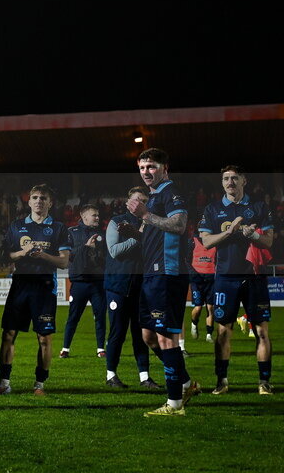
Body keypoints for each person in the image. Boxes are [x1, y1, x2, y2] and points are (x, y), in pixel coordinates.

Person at [128, 148, 200, 416]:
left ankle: (175, 404)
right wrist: (136, 230)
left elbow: (179, 225)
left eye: (152, 166)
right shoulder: (155, 196)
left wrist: (145, 215)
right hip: (152, 274)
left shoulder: (172, 193)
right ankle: (186, 382)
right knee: (149, 336)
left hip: (168, 274)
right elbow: (156, 232)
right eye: (143, 167)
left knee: (166, 337)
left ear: (164, 168)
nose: (147, 172)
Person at [0, 183, 70, 397]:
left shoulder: (59, 228)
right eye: (35, 197)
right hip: (20, 285)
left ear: (50, 203)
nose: (39, 201)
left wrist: (43, 256)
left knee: (44, 338)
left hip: (44, 288)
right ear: (29, 201)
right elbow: (7, 257)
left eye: (43, 198)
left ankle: (39, 385)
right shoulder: (16, 226)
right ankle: (3, 383)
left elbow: (63, 262)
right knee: (8, 334)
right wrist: (23, 252)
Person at [199, 165, 275, 396]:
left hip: (254, 278)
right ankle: (222, 380)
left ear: (244, 180)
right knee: (223, 332)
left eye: (234, 178)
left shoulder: (259, 207)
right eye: (225, 179)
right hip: (225, 278)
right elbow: (206, 242)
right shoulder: (212, 209)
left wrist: (252, 234)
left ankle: (264, 382)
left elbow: (268, 242)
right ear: (222, 183)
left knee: (262, 332)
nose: (230, 182)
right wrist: (230, 232)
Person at [103, 187, 161, 390]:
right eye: (137, 199)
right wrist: (139, 237)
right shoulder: (116, 222)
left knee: (141, 334)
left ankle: (145, 377)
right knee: (117, 332)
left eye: (144, 200)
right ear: (128, 202)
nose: (141, 203)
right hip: (118, 286)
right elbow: (115, 252)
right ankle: (111, 375)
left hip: (141, 287)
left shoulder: (152, 223)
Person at [59, 204, 107, 360]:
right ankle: (65, 348)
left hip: (98, 282)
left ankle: (101, 349)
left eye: (98, 215)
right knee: (73, 317)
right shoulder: (71, 233)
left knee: (100, 316)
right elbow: (68, 255)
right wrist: (86, 248)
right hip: (79, 282)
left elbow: (107, 256)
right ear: (84, 216)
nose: (97, 218)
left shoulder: (103, 234)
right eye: (94, 215)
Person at [188, 229, 216, 344]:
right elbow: (186, 260)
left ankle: (209, 334)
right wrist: (193, 274)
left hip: (211, 280)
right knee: (198, 307)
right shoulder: (192, 242)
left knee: (211, 308)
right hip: (197, 280)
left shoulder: (215, 242)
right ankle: (194, 323)